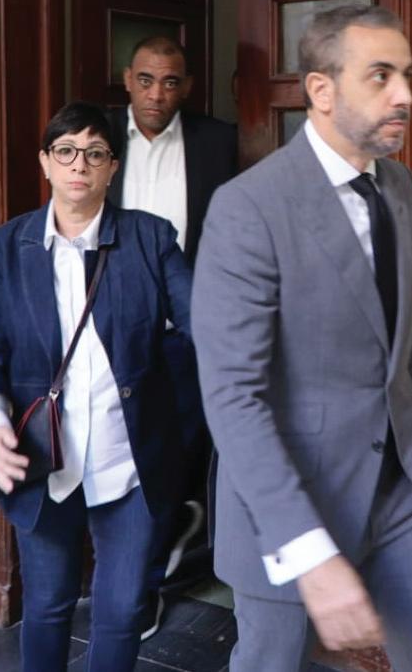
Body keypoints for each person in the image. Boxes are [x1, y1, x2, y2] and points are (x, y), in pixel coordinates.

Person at [190, 6, 412, 670]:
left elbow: (406, 335)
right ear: (322, 90)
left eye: (407, 75)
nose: (405, 95)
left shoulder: (400, 187)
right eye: (380, 76)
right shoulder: (248, 207)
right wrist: (309, 553)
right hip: (291, 505)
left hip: (405, 490)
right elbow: (232, 395)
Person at [0, 101, 194, 672]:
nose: (79, 165)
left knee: (123, 612)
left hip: (129, 462)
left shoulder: (150, 238)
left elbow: (205, 325)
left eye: (94, 153)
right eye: (65, 151)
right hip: (43, 462)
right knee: (46, 607)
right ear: (45, 162)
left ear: (113, 167)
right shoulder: (8, 247)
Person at [108, 36, 237, 600]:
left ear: (186, 86)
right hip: (112, 329)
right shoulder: (97, 136)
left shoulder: (219, 142)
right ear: (127, 79)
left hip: (185, 334)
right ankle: (133, 571)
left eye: (169, 82)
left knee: (173, 454)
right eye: (145, 80)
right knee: (119, 457)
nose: (156, 94)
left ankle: (148, 584)